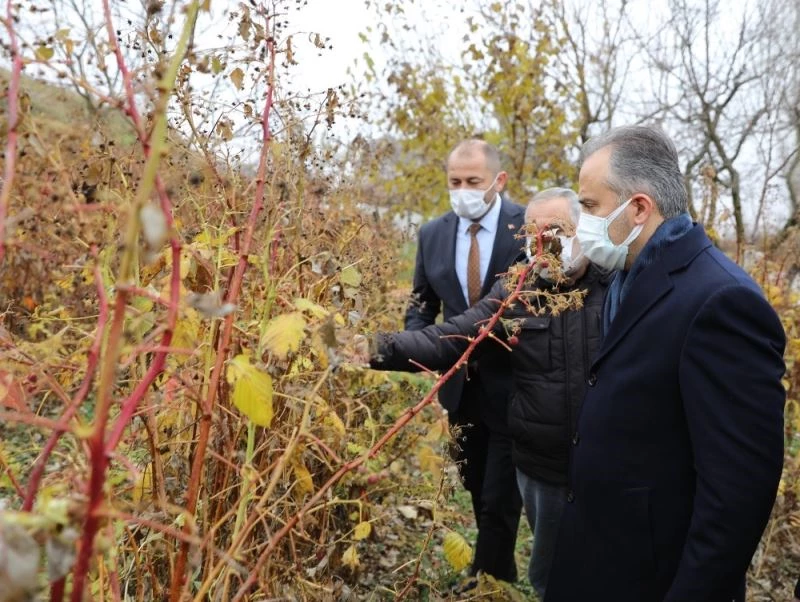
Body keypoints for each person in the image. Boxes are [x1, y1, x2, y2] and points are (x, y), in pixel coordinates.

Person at [545, 125, 787, 602]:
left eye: (591, 207)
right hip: (600, 553)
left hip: (654, 577)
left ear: (638, 207)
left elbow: (737, 494)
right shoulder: (627, 276)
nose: (582, 222)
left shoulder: (721, 300)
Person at [368, 188, 610, 598]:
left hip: (607, 463)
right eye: (533, 234)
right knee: (551, 576)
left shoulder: (617, 283)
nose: (543, 243)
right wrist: (376, 348)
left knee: (613, 571)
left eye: (555, 230)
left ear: (583, 228)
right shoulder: (517, 290)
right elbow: (452, 335)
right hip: (543, 467)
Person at [403, 139, 525, 584]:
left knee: (499, 496)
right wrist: (418, 352)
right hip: (458, 388)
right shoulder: (433, 234)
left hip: (515, 385)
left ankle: (487, 580)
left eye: (473, 181)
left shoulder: (527, 227)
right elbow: (422, 305)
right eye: (455, 182)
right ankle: (497, 571)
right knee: (475, 486)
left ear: (498, 180)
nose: (463, 190)